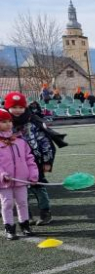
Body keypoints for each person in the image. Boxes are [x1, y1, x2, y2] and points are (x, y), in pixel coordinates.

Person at [6, 92, 61, 226]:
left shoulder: (33, 121)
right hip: (12, 164)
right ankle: (26, 215)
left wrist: (47, 161)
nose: (18, 110)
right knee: (20, 189)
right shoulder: (4, 123)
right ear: (8, 107)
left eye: (21, 107)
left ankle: (45, 213)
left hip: (34, 162)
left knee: (38, 186)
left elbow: (46, 142)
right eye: (14, 107)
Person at [0, 108, 38, 240]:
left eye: (9, 121)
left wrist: (33, 174)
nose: (8, 124)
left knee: (22, 202)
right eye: (3, 121)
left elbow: (29, 159)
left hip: (21, 179)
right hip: (4, 182)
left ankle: (25, 225)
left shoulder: (20, 140)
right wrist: (2, 174)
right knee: (7, 204)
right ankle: (9, 227)